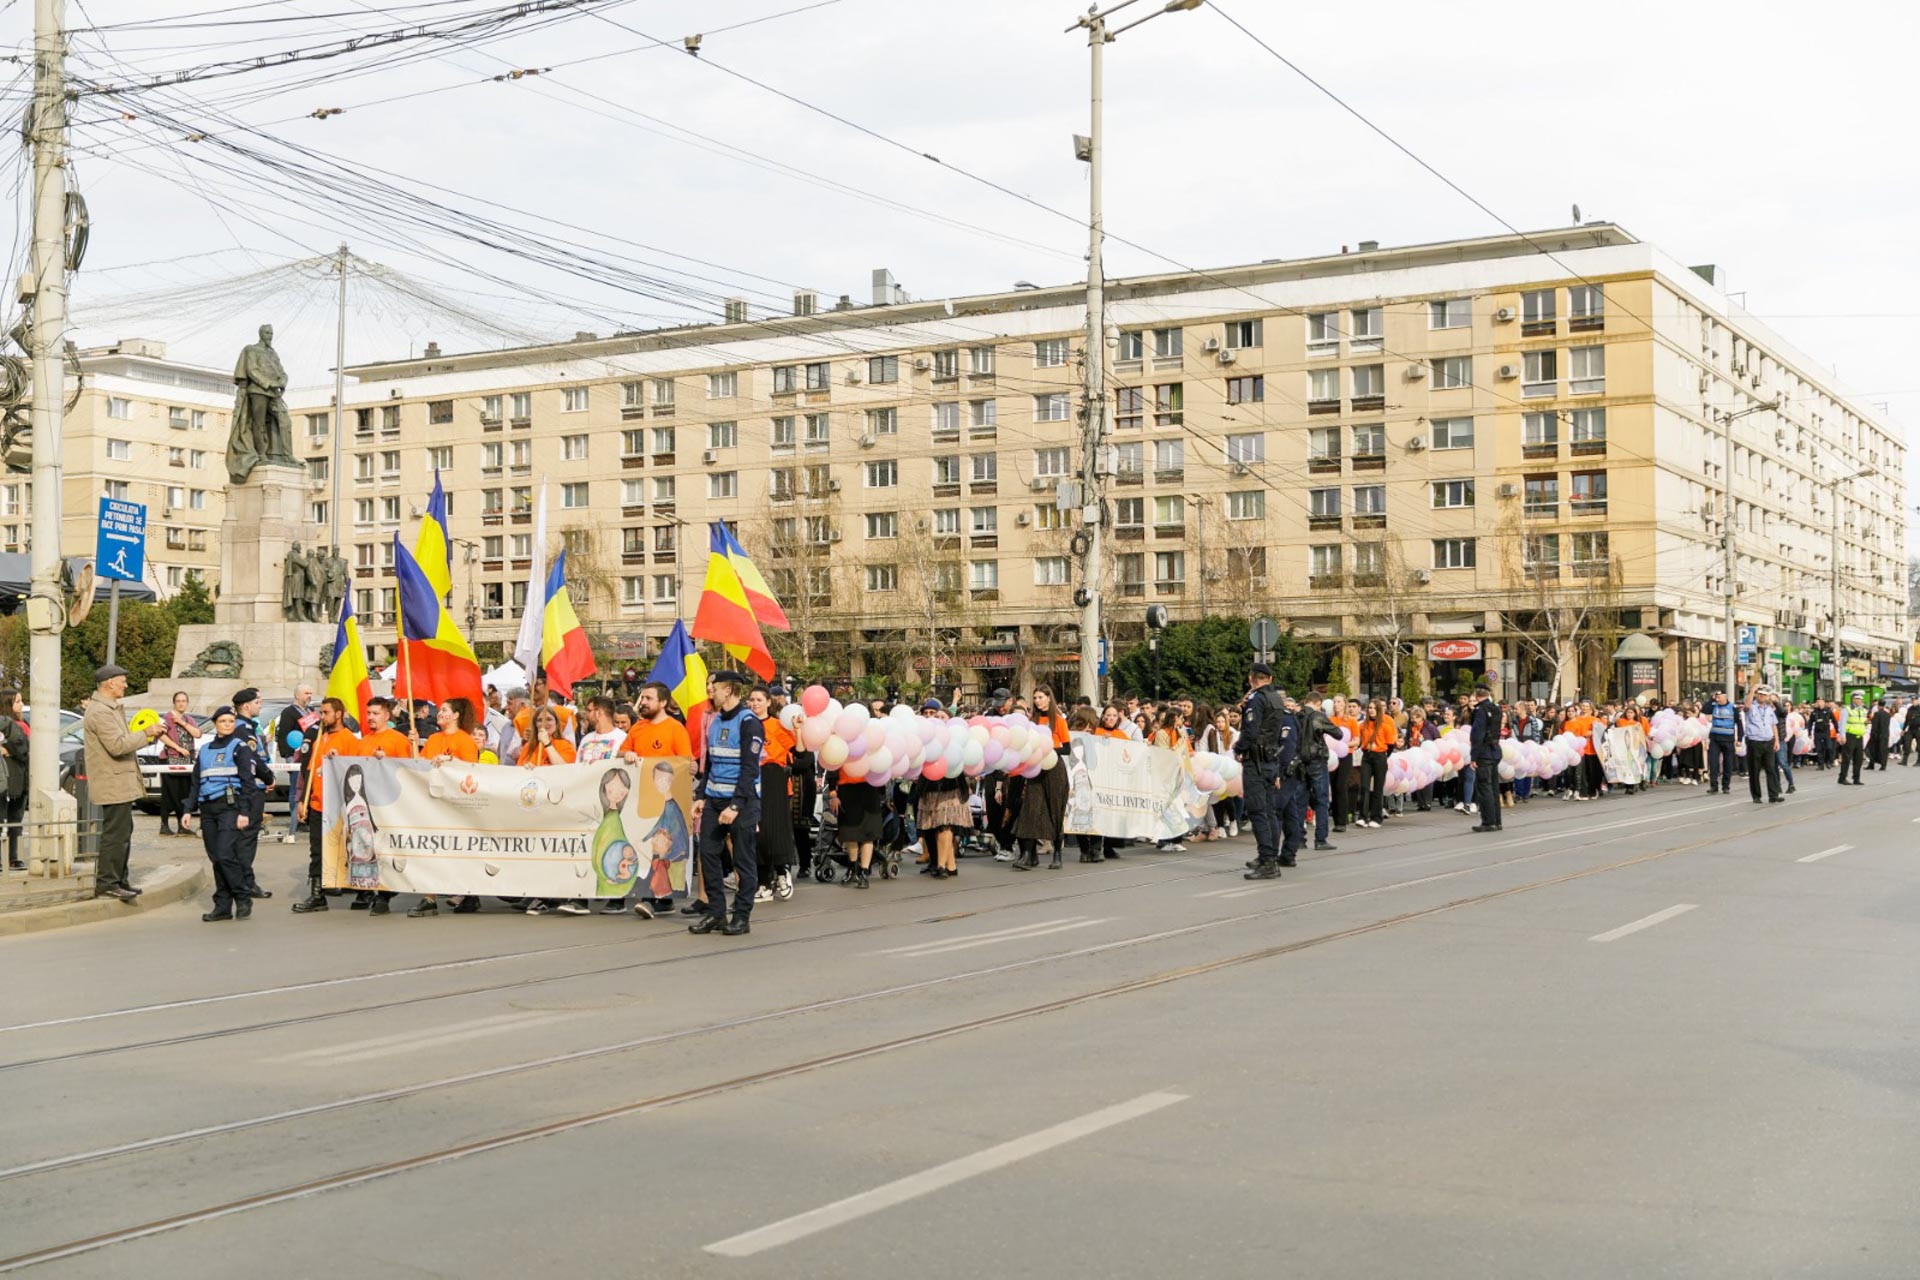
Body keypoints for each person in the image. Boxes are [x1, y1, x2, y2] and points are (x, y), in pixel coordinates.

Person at [179, 705, 273, 922]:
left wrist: (244, 812)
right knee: (216, 858)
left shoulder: (240, 747)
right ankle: (222, 906)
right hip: (208, 809)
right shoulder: (205, 750)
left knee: (223, 854)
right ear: (215, 724)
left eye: (231, 721)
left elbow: (248, 782)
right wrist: (187, 810)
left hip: (231, 807)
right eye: (223, 721)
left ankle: (242, 896)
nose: (228, 725)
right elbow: (195, 783)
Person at [82, 663, 162, 902]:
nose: (126, 685)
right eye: (122, 681)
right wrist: (147, 733)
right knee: (115, 834)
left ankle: (119, 879)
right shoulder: (100, 712)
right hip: (112, 782)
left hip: (118, 781)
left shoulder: (109, 709)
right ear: (109, 683)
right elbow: (118, 746)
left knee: (123, 832)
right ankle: (108, 883)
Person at [690, 671, 762, 936]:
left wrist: (735, 806)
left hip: (740, 803)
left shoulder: (749, 723)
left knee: (742, 861)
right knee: (707, 854)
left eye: (714, 686)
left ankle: (741, 916)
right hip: (714, 799)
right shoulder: (715, 721)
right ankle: (716, 913)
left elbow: (749, 769)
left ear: (729, 690)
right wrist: (700, 797)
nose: (710, 690)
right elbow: (709, 763)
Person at [409, 697, 484, 916]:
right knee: (430, 848)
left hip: (456, 806)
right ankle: (429, 897)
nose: (439, 713)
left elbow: (472, 771)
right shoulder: (433, 738)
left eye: (444, 710)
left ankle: (470, 894)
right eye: (440, 710)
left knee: (458, 851)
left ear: (456, 715)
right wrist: (413, 745)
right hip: (433, 802)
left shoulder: (465, 741)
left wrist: (450, 763)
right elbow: (419, 767)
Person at [291, 697, 362, 913]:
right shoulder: (319, 739)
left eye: (325, 713)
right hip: (318, 804)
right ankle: (317, 895)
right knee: (317, 851)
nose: (322, 717)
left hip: (340, 806)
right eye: (321, 713)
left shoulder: (348, 739)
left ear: (338, 714)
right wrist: (302, 800)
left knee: (349, 849)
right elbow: (310, 772)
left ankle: (362, 891)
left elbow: (356, 772)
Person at [350, 697, 412, 914]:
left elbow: (407, 771)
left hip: (389, 804)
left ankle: (384, 896)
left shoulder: (397, 740)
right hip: (367, 804)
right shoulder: (363, 741)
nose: (370, 717)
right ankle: (368, 889)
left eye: (375, 713)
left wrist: (387, 761)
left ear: (386, 715)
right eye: (368, 713)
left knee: (386, 849)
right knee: (369, 848)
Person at [519, 706, 583, 916]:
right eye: (539, 721)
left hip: (557, 805)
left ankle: (559, 892)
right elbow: (516, 776)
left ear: (557, 725)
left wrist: (547, 744)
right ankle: (541, 894)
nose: (544, 724)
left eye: (548, 720)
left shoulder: (563, 745)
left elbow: (564, 769)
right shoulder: (528, 748)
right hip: (534, 807)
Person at [1238, 664, 1299, 879]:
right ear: (1270, 678)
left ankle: (1267, 861)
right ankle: (1270, 856)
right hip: (1271, 759)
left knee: (1258, 811)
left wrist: (1239, 748)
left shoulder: (1256, 699)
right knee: (1270, 811)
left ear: (1251, 678)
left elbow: (1251, 731)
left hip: (1255, 761)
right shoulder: (1275, 698)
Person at [1010, 685, 1071, 870]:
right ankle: (1028, 854)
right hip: (1035, 768)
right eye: (1035, 697)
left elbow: (1067, 748)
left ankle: (1057, 854)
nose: (1037, 700)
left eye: (1040, 697)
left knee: (1055, 809)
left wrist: (1048, 749)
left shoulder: (1058, 720)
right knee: (1031, 808)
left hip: (1054, 768)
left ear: (1048, 698)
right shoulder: (1032, 720)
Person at [746, 686, 797, 904]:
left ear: (768, 702)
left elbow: (798, 751)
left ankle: (782, 872)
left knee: (775, 827)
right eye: (751, 699)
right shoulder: (745, 725)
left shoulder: (778, 725)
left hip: (774, 778)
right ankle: (763, 882)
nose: (754, 703)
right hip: (751, 777)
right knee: (756, 830)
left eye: (759, 699)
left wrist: (799, 730)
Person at [275, 684, 318, 842]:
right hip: (295, 756)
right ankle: (293, 826)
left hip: (310, 756)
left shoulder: (311, 711)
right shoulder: (289, 712)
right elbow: (283, 735)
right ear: (297, 695)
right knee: (296, 790)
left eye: (310, 693)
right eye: (307, 693)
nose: (309, 695)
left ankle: (307, 820)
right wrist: (288, 756)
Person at [1295, 690, 1335, 853]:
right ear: (1318, 704)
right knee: (1321, 800)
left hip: (1299, 762)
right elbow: (1338, 733)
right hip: (1317, 761)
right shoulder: (1318, 716)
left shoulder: (1296, 716)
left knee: (1299, 802)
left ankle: (1298, 839)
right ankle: (1320, 839)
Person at [154, 691, 199, 837]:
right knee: (169, 793)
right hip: (170, 759)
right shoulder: (166, 718)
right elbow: (161, 735)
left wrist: (182, 723)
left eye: (184, 701)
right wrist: (177, 748)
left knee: (184, 792)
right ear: (174, 702)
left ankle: (182, 825)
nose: (181, 703)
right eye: (178, 701)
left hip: (187, 761)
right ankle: (164, 825)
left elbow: (197, 734)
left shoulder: (188, 719)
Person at [1468, 684, 1504, 832]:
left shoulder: (1480, 710)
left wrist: (1473, 756)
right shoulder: (1495, 708)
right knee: (1494, 788)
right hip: (1495, 750)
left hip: (1484, 752)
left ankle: (1488, 822)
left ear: (1476, 695)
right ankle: (1497, 821)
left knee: (1484, 787)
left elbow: (1477, 733)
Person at [0, 688, 29, 868]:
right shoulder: (7, 724)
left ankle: (13, 856)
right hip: (6, 779)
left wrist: (9, 750)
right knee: (3, 819)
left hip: (21, 778)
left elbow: (24, 750)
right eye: (17, 701)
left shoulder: (23, 723)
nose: (22, 704)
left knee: (15, 821)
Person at [1357, 698, 1396, 828]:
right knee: (1364, 787)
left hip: (1380, 756)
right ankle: (1362, 816)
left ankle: (1376, 817)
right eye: (1369, 708)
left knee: (1378, 788)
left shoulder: (1385, 725)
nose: (1371, 710)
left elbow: (1390, 744)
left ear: (1378, 710)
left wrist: (1384, 755)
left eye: (1373, 708)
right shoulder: (1363, 725)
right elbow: (1360, 739)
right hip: (1366, 756)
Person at [1742, 686, 1783, 804]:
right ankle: (1756, 796)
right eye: (1759, 694)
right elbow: (1747, 705)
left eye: (1764, 695)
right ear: (1756, 695)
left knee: (1771, 769)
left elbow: (1773, 725)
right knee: (1755, 770)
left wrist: (1776, 740)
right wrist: (1753, 689)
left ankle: (1773, 795)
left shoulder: (1769, 709)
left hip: (1768, 741)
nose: (1762, 696)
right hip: (1755, 741)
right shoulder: (1751, 707)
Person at [1705, 690, 1737, 794]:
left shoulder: (1732, 708)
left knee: (1728, 763)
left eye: (1719, 697)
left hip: (1728, 739)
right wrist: (1712, 699)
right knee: (1713, 763)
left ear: (1725, 697)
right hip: (1715, 739)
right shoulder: (1714, 706)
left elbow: (1739, 722)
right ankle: (1713, 786)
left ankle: (1726, 786)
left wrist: (1740, 738)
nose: (1718, 699)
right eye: (1716, 697)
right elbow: (1704, 709)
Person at [1837, 691, 1868, 785]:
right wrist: (1842, 736)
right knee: (1846, 758)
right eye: (1858, 699)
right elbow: (1842, 724)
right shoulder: (1846, 709)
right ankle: (1842, 778)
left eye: (1861, 699)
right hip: (1849, 736)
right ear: (1853, 699)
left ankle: (1856, 778)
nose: (1860, 701)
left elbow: (1863, 722)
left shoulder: (1862, 710)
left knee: (1858, 759)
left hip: (1859, 736)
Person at [1867, 698, 1892, 770]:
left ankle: (1871, 764)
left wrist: (1872, 734)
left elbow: (1874, 726)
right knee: (1883, 750)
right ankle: (1883, 765)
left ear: (1878, 706)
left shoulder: (1877, 714)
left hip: (1877, 735)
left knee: (1872, 749)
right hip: (1885, 734)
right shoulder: (1887, 714)